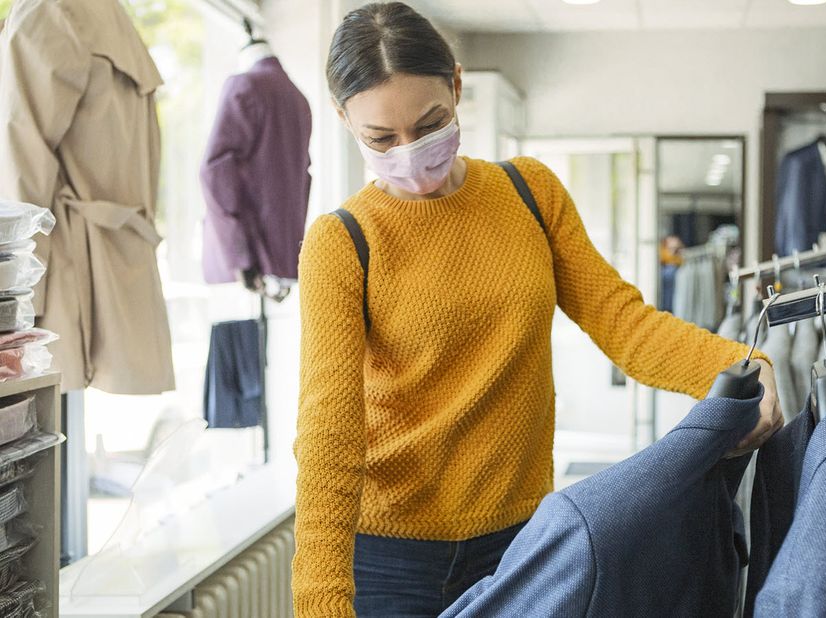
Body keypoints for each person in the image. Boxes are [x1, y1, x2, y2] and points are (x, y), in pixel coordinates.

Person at [293, 3, 781, 616]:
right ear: (343, 119)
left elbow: (622, 323)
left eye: (431, 123)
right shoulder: (342, 242)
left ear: (458, 86)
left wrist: (741, 361)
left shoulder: (529, 192)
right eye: (381, 139)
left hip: (522, 541)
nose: (410, 156)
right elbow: (328, 435)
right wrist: (320, 604)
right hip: (390, 558)